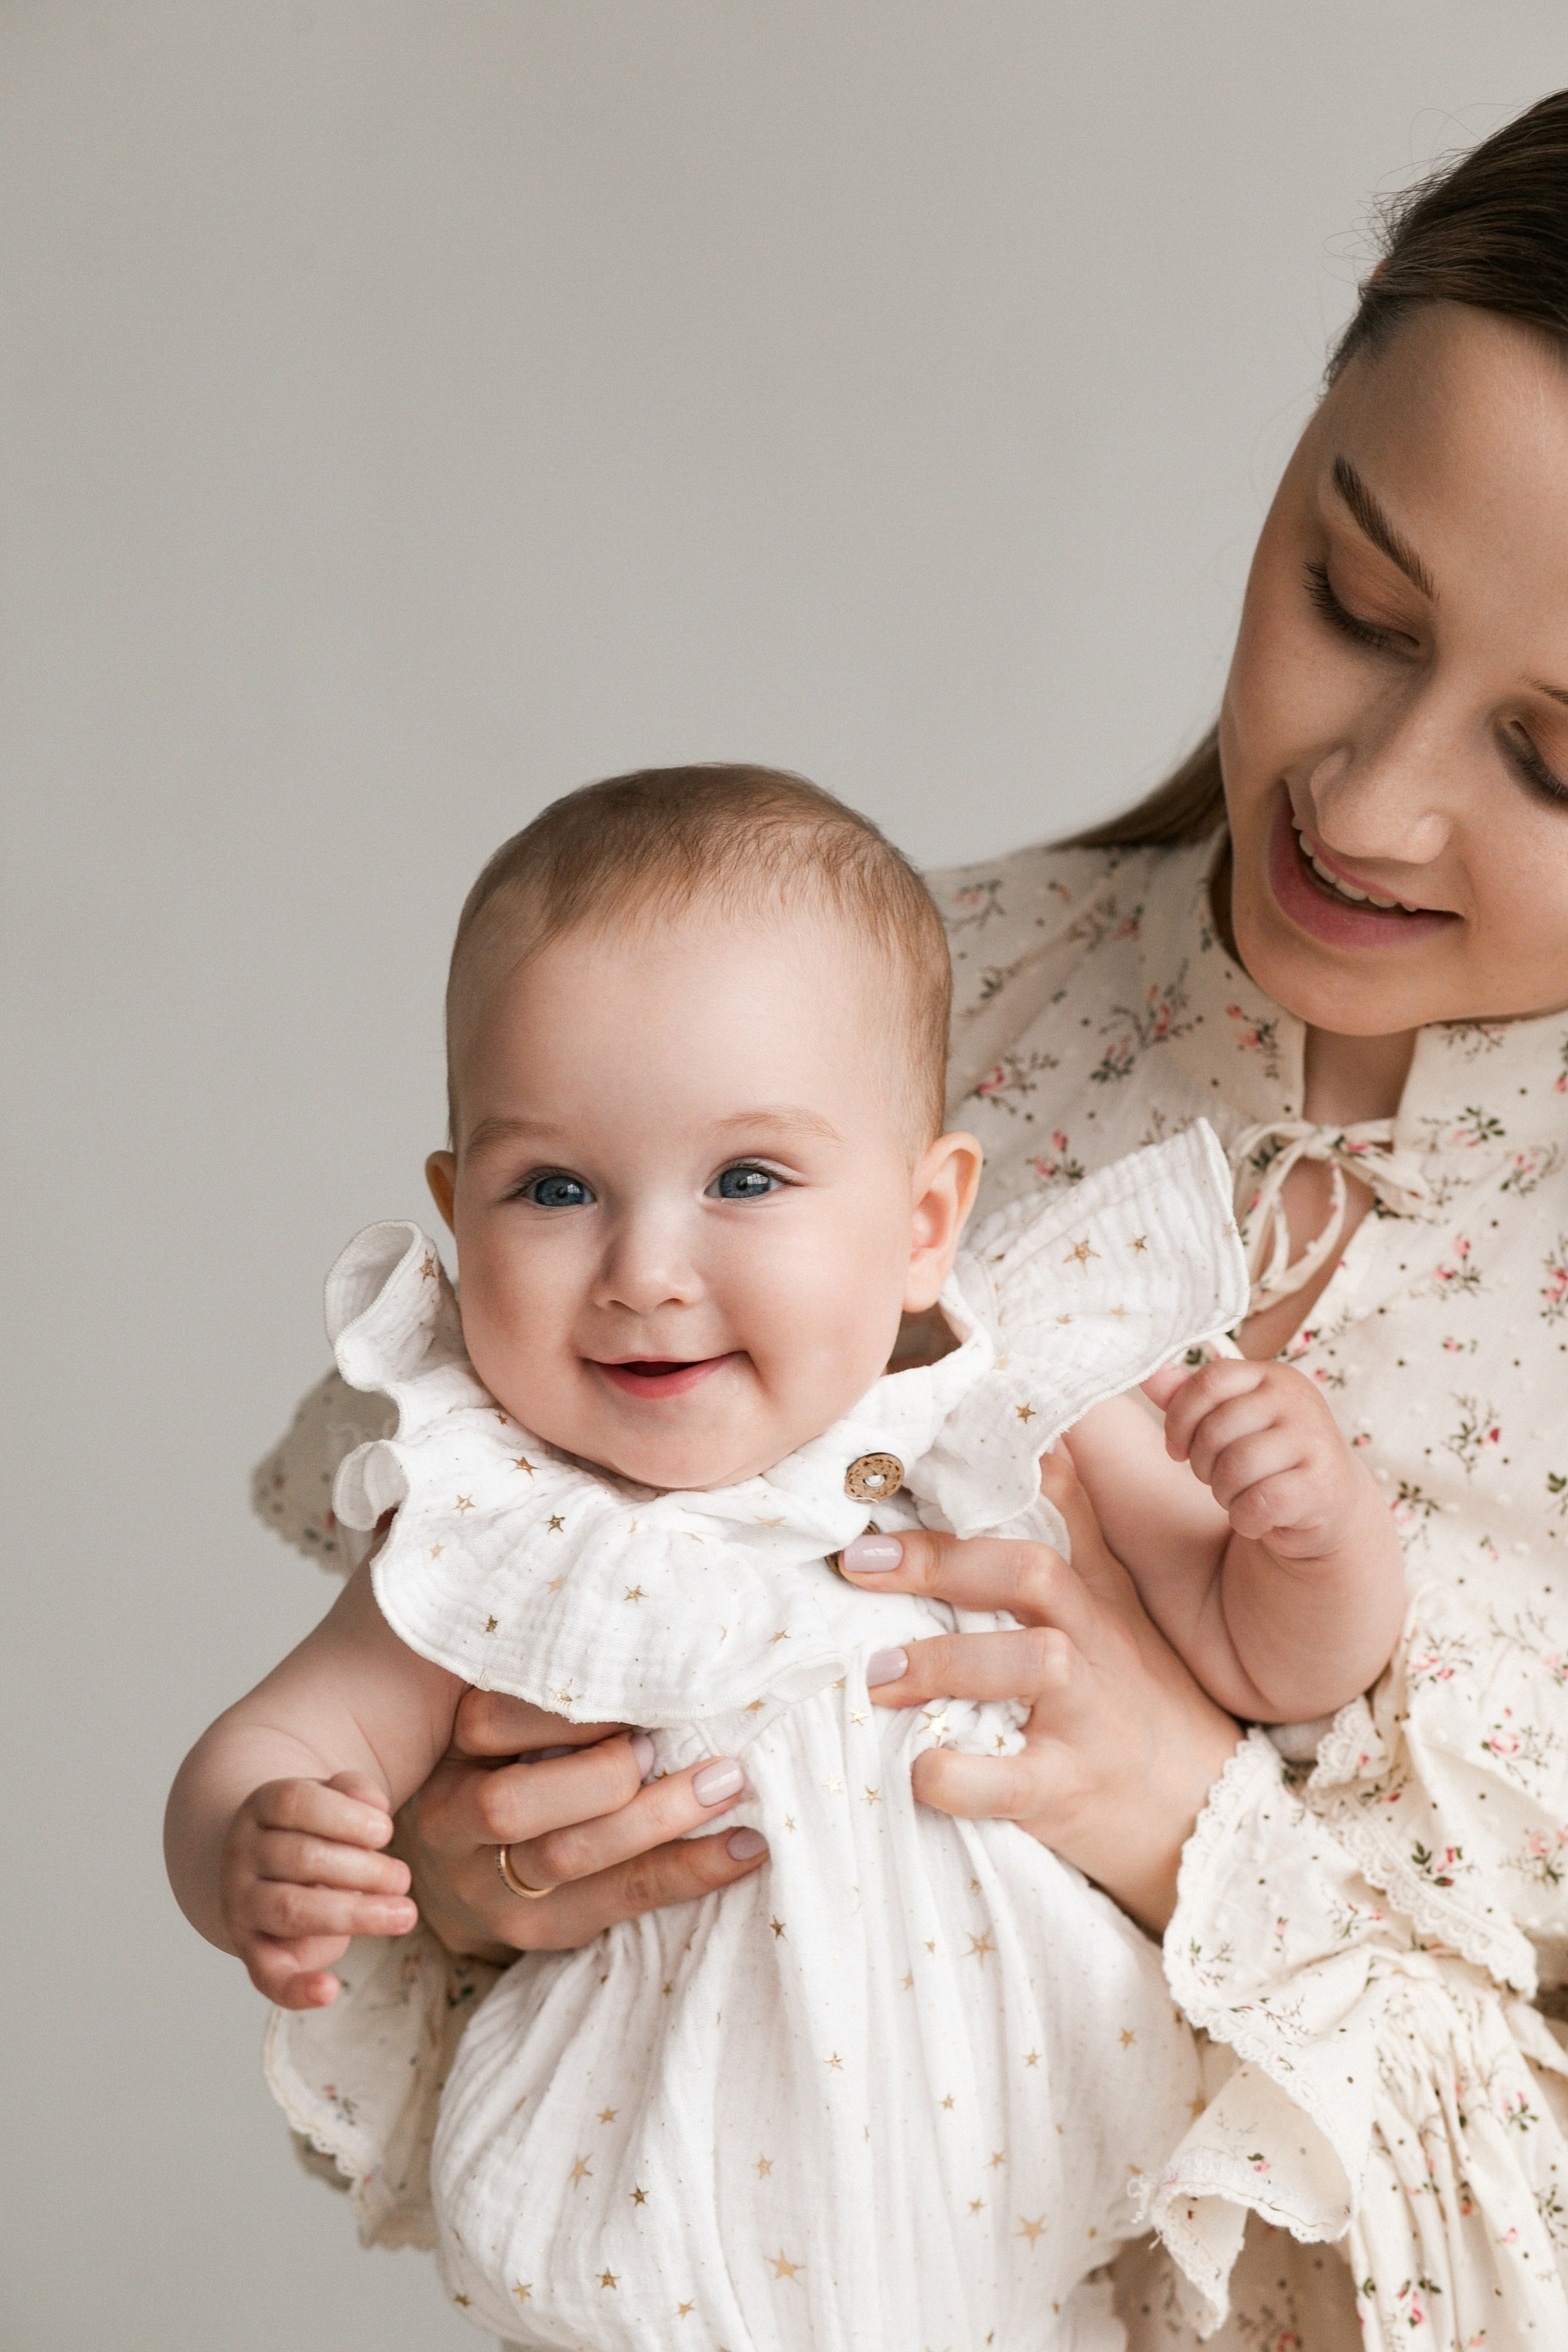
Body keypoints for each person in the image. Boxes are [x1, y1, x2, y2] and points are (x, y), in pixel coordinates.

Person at [233, 89, 1568, 2352]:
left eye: (1563, 756)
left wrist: (1190, 1826)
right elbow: (433, 1669)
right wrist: (462, 1882)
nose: (1370, 798)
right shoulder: (845, 1031)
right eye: (1353, 598)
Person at [167, 765, 1403, 2351]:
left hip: (1031, 2204)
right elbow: (290, 1738)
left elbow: (1272, 1666)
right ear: (454, 1217)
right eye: (553, 1188)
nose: (646, 1272)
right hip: (661, 2240)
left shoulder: (1003, 1421)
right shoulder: (503, 1514)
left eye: (745, 1180)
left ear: (920, 1223)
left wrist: (1311, 1531)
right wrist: (251, 1846)